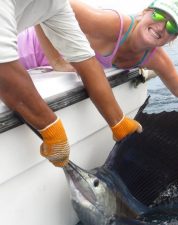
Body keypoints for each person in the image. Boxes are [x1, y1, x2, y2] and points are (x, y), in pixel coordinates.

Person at [18, 0, 178, 133]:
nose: (161, 26)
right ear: (144, 12)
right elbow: (46, 4)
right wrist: (56, 61)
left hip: (38, 72)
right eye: (159, 16)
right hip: (24, 50)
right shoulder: (111, 24)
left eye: (170, 26)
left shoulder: (153, 57)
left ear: (173, 38)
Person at [0, 0, 142, 168]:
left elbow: (85, 61)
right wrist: (51, 129)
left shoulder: (56, 4)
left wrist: (119, 123)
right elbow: (4, 70)